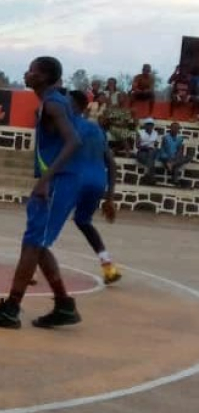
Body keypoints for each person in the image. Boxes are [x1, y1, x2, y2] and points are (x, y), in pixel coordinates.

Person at [0, 56, 83, 331]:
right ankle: (63, 304)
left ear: (44, 77)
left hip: (58, 183)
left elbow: (73, 141)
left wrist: (46, 180)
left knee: (32, 244)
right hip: (59, 181)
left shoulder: (54, 104)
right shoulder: (53, 101)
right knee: (38, 244)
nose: (27, 73)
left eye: (32, 70)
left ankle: (11, 309)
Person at [68, 91, 123, 285]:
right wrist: (109, 196)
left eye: (67, 102)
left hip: (76, 179)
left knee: (46, 219)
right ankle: (108, 265)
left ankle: (32, 266)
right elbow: (112, 163)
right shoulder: (97, 130)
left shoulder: (69, 125)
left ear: (75, 106)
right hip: (98, 182)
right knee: (83, 221)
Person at [158, 122, 194, 186]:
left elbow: (179, 150)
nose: (175, 129)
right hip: (166, 158)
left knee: (189, 157)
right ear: (170, 128)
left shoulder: (179, 139)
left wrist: (175, 158)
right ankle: (175, 180)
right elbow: (162, 151)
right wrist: (169, 159)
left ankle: (172, 164)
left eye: (177, 128)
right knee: (176, 165)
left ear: (178, 129)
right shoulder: (165, 138)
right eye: (174, 127)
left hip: (174, 158)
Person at [135, 119, 160, 184]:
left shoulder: (155, 133)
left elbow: (156, 144)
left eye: (151, 125)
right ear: (145, 125)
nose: (149, 126)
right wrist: (147, 148)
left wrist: (155, 146)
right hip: (142, 152)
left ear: (153, 126)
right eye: (148, 124)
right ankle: (151, 177)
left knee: (152, 152)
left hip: (152, 152)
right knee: (151, 160)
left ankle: (147, 176)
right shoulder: (140, 132)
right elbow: (137, 145)